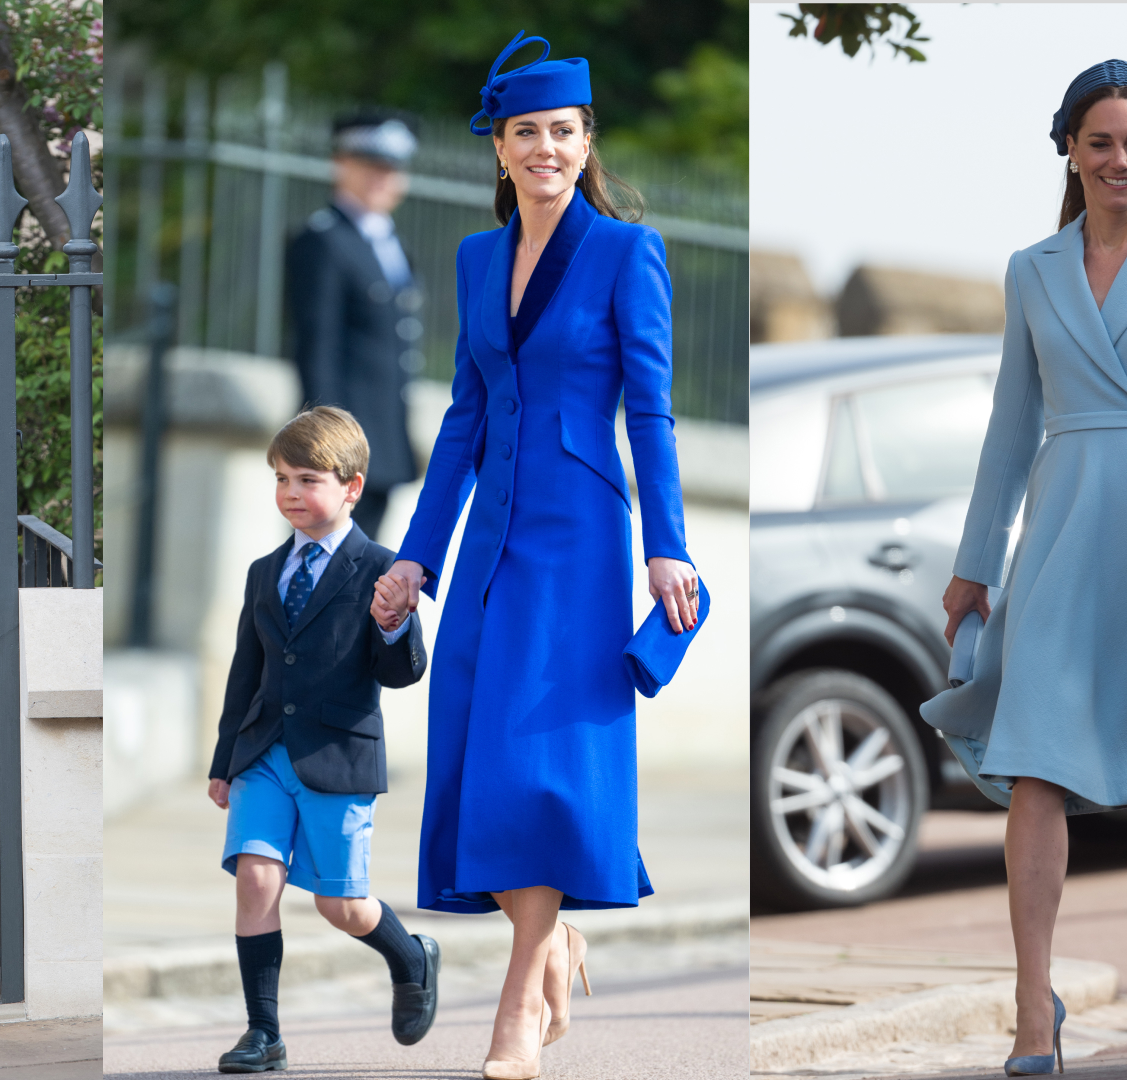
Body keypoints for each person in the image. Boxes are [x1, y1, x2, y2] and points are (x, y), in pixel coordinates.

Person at [369, 32, 699, 1080]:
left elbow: (651, 413)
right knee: (486, 760)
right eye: (526, 133)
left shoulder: (627, 253)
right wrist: (417, 557)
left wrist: (667, 550)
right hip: (490, 540)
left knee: (541, 762)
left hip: (580, 540)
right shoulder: (476, 257)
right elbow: (464, 419)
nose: (545, 148)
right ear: (500, 148)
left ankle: (516, 1014)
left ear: (585, 142)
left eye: (562, 131)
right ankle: (553, 938)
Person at [918, 61, 1127, 1075]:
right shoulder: (1032, 269)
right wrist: (976, 564)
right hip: (1059, 527)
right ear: (1068, 148)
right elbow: (1010, 424)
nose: (1119, 160)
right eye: (1100, 141)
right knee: (1035, 761)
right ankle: (1034, 1002)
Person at [205, 406, 434, 1073]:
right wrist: (224, 760)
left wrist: (393, 624)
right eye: (281, 479)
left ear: (352, 487)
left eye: (308, 479)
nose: (291, 493)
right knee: (256, 878)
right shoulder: (264, 571)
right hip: (263, 752)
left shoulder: (383, 569)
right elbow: (245, 673)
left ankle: (411, 957)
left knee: (341, 905)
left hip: (338, 756)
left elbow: (402, 673)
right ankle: (264, 1033)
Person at [285, 111, 425, 541]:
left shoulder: (391, 243)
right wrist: (327, 445)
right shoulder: (323, 240)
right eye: (370, 165)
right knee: (323, 560)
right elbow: (317, 348)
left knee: (361, 564)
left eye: (392, 169)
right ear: (340, 164)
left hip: (383, 440)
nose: (382, 178)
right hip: (341, 447)